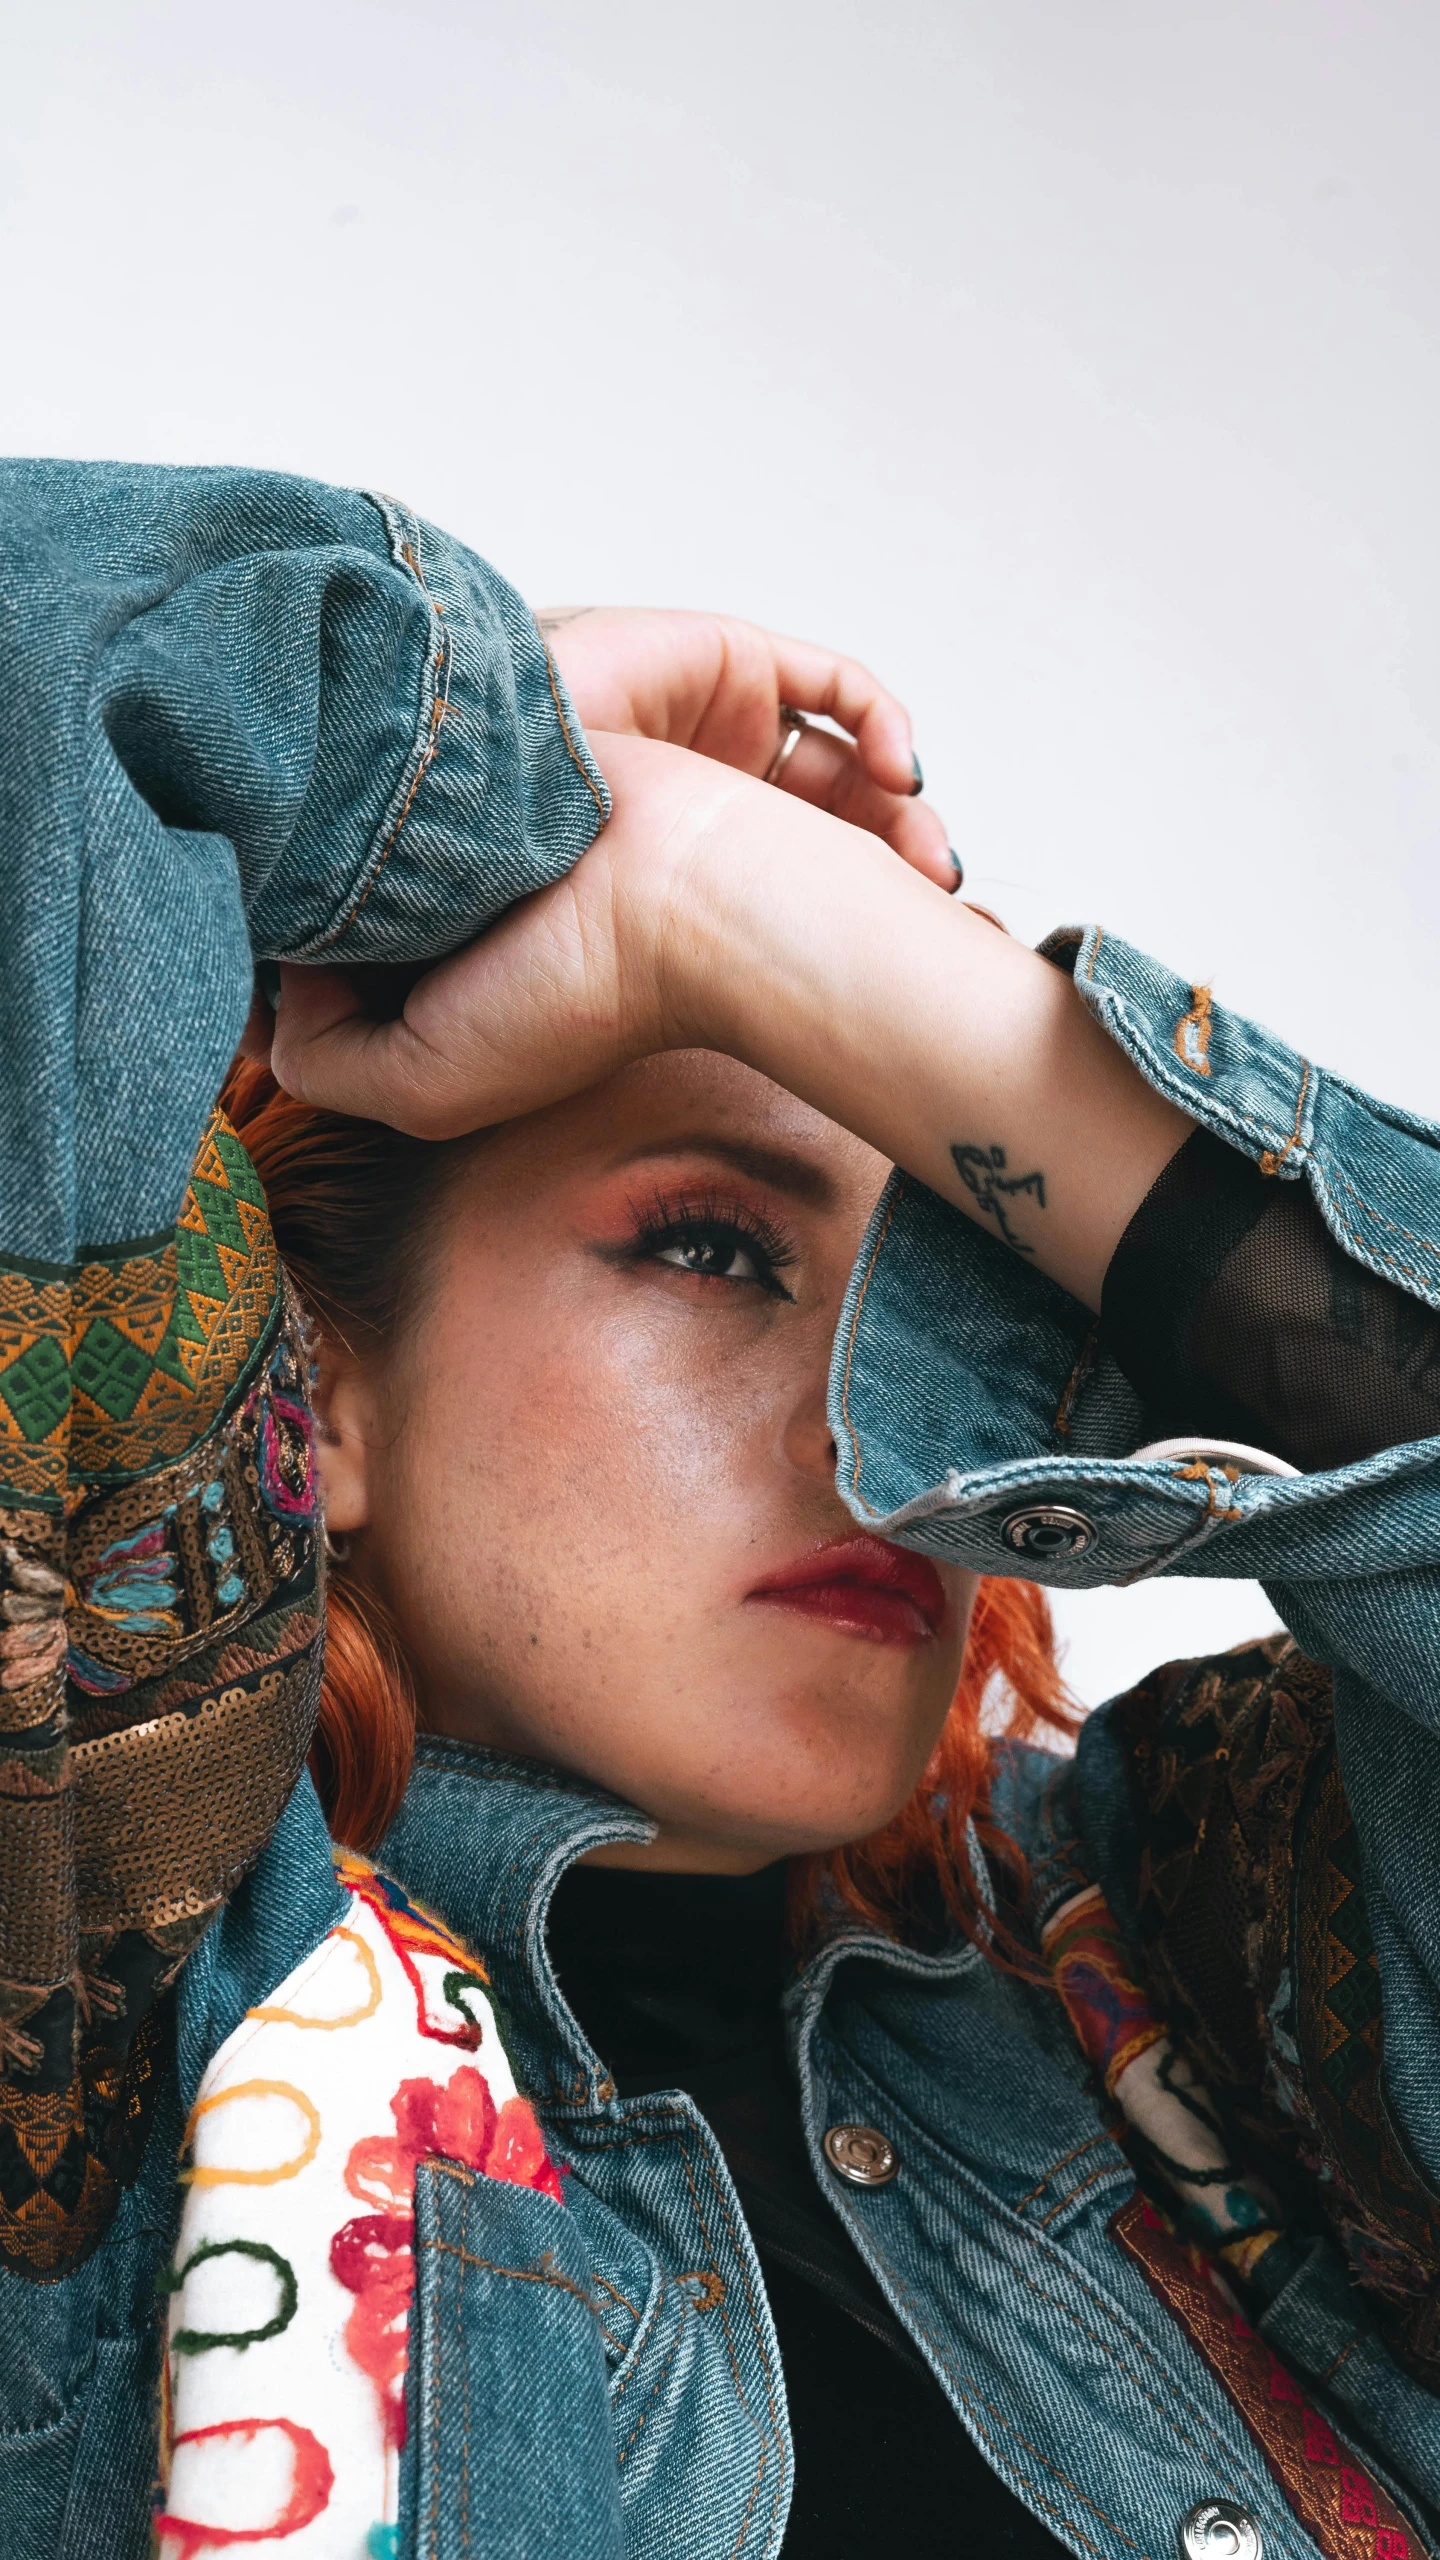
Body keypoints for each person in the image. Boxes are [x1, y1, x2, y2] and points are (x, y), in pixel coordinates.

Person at [2, 462, 1438, 2560]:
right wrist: (471, 786)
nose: (889, 1453)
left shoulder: (1183, 1982)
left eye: (959, 1339)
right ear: (317, 1379)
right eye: (710, 1249)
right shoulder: (103, 1991)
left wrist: (775, 923)